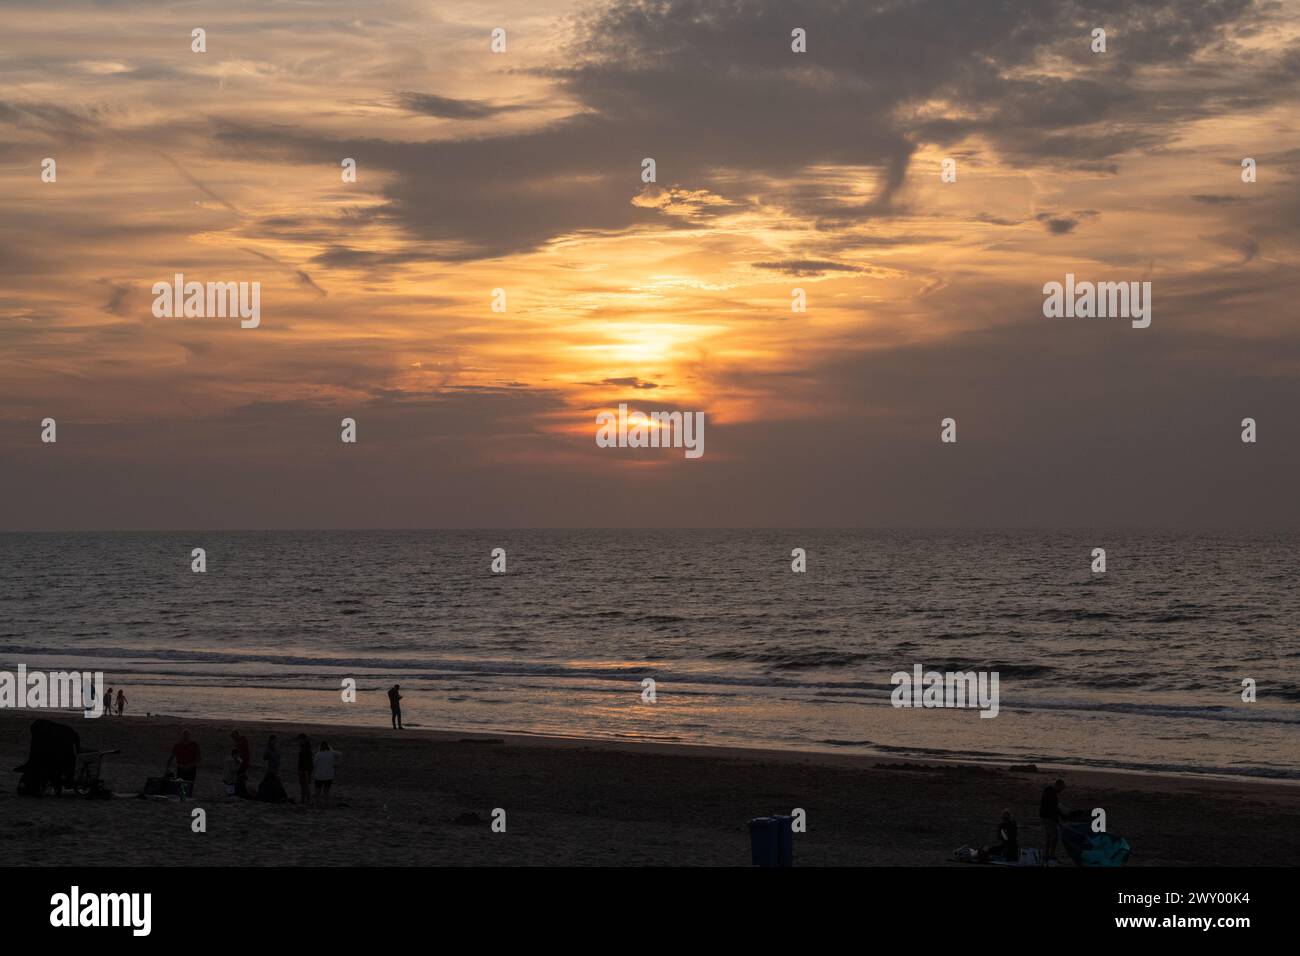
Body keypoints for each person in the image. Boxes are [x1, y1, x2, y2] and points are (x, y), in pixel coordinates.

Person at [1040, 778, 1066, 863]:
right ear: (1058, 786)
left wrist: (1060, 815)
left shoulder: (1050, 792)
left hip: (1046, 816)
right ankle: (1051, 855)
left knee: (1049, 836)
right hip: (1048, 817)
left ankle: (1047, 854)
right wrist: (1058, 820)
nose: (1061, 791)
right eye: (1061, 789)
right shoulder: (1051, 793)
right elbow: (1052, 808)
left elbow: (1054, 807)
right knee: (1054, 837)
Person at [313, 741, 339, 807]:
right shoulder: (331, 753)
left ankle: (317, 803)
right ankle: (326, 803)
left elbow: (314, 764)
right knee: (326, 791)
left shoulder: (318, 754)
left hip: (319, 775)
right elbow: (340, 754)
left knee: (318, 791)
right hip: (329, 775)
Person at [296, 734, 313, 804]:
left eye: (300, 740)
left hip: (305, 769)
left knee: (305, 785)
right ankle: (304, 799)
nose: (299, 741)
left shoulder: (306, 749)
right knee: (303, 785)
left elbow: (305, 760)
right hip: (304, 769)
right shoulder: (305, 747)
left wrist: (303, 770)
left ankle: (307, 799)